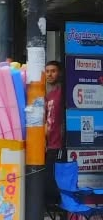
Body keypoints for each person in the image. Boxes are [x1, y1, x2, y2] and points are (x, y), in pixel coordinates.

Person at [45, 59, 64, 204]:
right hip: (48, 144)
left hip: (59, 144)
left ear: (59, 73)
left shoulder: (62, 93)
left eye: (53, 71)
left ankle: (61, 211)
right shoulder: (48, 96)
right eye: (47, 71)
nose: (50, 74)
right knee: (48, 180)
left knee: (56, 180)